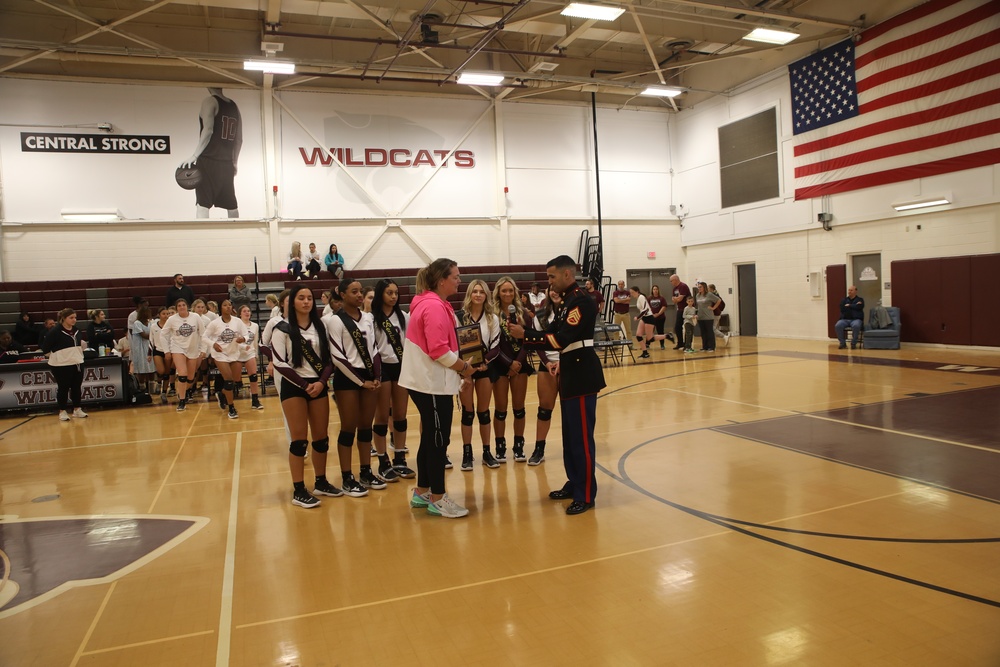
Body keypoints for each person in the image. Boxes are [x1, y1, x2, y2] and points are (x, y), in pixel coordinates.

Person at [511, 255, 605, 515]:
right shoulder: (565, 303)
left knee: (582, 439)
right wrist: (527, 333)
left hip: (582, 373)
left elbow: (561, 338)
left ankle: (585, 494)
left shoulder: (581, 302)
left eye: (552, 276)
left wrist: (526, 335)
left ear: (567, 275)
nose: (548, 281)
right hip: (570, 370)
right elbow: (550, 332)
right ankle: (575, 482)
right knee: (570, 435)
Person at [398, 258, 479, 519]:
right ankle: (437, 497)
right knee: (437, 440)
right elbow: (438, 350)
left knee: (431, 437)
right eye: (455, 276)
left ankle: (422, 491)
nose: (459, 280)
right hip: (429, 383)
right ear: (441, 280)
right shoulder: (432, 306)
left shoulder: (436, 304)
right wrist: (464, 369)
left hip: (433, 382)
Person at [269, 284, 338, 508]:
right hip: (294, 387)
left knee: (321, 439)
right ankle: (299, 489)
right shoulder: (282, 328)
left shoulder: (320, 327)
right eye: (301, 298)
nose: (306, 301)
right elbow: (279, 362)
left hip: (317, 386)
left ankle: (321, 481)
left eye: (309, 297)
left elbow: (329, 360)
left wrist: (320, 382)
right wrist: (303, 384)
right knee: (299, 441)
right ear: (292, 302)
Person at [324, 277, 385, 496]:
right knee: (348, 428)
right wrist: (361, 381)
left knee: (366, 427)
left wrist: (377, 375)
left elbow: (375, 348)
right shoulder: (334, 321)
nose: (359, 295)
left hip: (370, 377)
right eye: (354, 292)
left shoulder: (367, 318)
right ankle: (347, 477)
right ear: (342, 294)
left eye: (361, 292)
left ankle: (366, 471)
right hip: (348, 380)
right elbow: (338, 357)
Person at [371, 279, 415, 481]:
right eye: (389, 293)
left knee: (400, 414)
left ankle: (399, 458)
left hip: (401, 366)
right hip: (382, 368)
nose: (393, 296)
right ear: (381, 294)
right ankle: (382, 460)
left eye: (396, 293)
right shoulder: (370, 319)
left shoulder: (404, 317)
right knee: (381, 416)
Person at [179, 87, 242, 219]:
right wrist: (234, 162)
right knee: (231, 205)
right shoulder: (234, 106)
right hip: (226, 163)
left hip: (208, 160)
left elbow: (208, 130)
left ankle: (202, 237)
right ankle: (236, 236)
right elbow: (239, 140)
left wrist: (194, 155)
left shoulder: (209, 101)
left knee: (202, 204)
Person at [458, 279, 500, 470]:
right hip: (464, 370)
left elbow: (496, 346)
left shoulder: (493, 318)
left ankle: (486, 452)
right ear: (469, 294)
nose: (478, 295)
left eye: (481, 292)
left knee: (483, 413)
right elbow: (455, 344)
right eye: (474, 291)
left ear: (486, 295)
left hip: (485, 369)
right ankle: (467, 454)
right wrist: (465, 369)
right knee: (468, 413)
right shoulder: (460, 317)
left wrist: (483, 364)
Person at [491, 276, 534, 463]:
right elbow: (491, 344)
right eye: (504, 290)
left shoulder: (523, 313)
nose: (508, 294)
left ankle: (519, 446)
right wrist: (508, 363)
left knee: (519, 408)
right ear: (498, 293)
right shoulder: (491, 315)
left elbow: (528, 340)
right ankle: (500, 446)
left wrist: (517, 362)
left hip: (519, 364)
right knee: (500, 409)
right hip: (500, 364)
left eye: (511, 290)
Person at [529, 287, 563, 466]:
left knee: (570, 411)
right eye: (552, 290)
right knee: (544, 410)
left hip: (569, 365)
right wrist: (548, 363)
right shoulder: (540, 315)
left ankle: (572, 448)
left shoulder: (572, 313)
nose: (555, 292)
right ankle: (539, 449)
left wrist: (563, 361)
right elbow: (537, 343)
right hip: (547, 366)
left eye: (558, 290)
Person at [202, 300, 249, 419]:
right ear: (220, 308)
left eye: (229, 305)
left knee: (234, 381)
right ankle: (231, 408)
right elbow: (204, 337)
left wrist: (243, 339)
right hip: (220, 354)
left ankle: (222, 394)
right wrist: (213, 344)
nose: (228, 307)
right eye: (225, 305)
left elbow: (246, 334)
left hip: (233, 352)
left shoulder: (237, 321)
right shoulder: (215, 323)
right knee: (228, 380)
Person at [41, 308, 88, 421]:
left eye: (75, 317)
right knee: (63, 388)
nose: (74, 320)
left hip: (77, 362)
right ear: (63, 318)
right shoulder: (55, 332)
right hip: (61, 365)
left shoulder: (77, 330)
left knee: (76, 387)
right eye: (71, 318)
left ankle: (77, 409)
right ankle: (62, 411)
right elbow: (45, 348)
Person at [161, 298, 206, 411]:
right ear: (176, 309)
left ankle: (182, 391)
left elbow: (203, 334)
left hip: (193, 349)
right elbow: (163, 334)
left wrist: (203, 349)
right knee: (182, 373)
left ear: (187, 306)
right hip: (178, 348)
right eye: (179, 305)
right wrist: (166, 350)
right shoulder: (172, 319)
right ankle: (181, 401)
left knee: (191, 378)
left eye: (183, 305)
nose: (182, 307)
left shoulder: (195, 317)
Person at [236, 304, 264, 410]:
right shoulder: (237, 325)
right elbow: (235, 341)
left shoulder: (255, 326)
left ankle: (255, 400)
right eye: (244, 311)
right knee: (235, 379)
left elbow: (255, 341)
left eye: (248, 311)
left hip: (250, 353)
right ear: (240, 314)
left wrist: (255, 353)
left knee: (253, 376)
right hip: (238, 353)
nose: (247, 313)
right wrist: (243, 347)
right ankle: (224, 395)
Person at [150, 306, 176, 403]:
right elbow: (150, 341)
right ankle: (158, 383)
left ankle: (164, 392)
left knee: (167, 373)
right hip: (158, 350)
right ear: (159, 315)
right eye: (164, 314)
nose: (166, 316)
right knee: (161, 370)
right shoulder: (153, 326)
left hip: (169, 351)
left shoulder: (171, 326)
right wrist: (149, 354)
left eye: (167, 314)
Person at [632, 286, 666, 359]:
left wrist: (637, 317)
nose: (631, 294)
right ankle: (645, 353)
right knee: (638, 335)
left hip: (649, 318)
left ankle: (667, 336)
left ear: (637, 291)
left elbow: (645, 310)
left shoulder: (641, 297)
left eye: (632, 292)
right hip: (644, 318)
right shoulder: (639, 298)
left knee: (650, 338)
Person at [131, 304, 156, 392]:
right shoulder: (137, 323)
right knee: (142, 368)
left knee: (151, 367)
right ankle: (142, 387)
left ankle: (152, 388)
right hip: (140, 348)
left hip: (149, 347)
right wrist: (154, 335)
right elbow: (144, 335)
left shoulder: (151, 322)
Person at [835, 285, 865, 349]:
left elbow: (859, 307)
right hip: (845, 319)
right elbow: (842, 308)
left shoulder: (860, 300)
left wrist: (849, 305)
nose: (849, 291)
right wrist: (854, 305)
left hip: (856, 319)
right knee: (838, 325)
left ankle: (853, 343)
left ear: (855, 291)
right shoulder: (844, 300)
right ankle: (842, 343)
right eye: (849, 290)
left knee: (856, 326)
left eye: (851, 290)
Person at [694, 282, 720, 352]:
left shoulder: (709, 294)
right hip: (700, 316)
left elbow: (718, 300)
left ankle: (711, 347)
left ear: (704, 287)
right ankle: (704, 346)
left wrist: (713, 308)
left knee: (709, 332)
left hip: (708, 316)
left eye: (700, 287)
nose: (699, 288)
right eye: (698, 287)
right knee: (703, 332)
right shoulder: (697, 295)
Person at [668, 274, 692, 350]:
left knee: (687, 327)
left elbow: (680, 299)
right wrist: (676, 299)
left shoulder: (683, 286)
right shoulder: (674, 289)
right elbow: (674, 300)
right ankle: (680, 343)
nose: (671, 282)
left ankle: (687, 344)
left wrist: (677, 299)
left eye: (671, 281)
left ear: (675, 279)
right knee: (677, 327)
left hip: (687, 309)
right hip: (680, 309)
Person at [649, 285, 670, 350]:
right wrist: (651, 314)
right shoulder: (649, 298)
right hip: (651, 318)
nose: (655, 291)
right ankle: (647, 344)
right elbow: (647, 307)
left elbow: (664, 306)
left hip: (660, 318)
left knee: (660, 331)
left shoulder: (661, 298)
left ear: (658, 290)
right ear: (652, 290)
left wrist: (658, 314)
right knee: (649, 331)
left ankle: (662, 344)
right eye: (654, 289)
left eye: (656, 289)